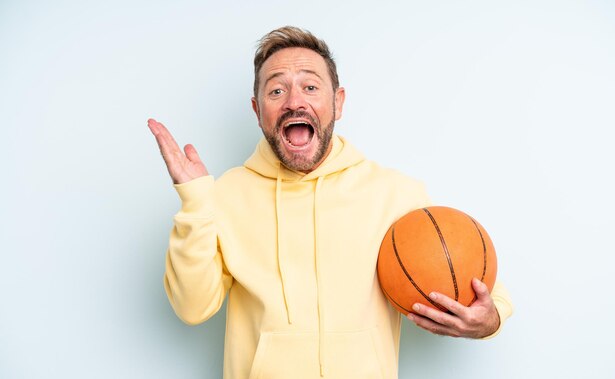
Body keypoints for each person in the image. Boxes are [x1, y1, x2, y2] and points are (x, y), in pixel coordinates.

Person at [148, 26, 513, 379]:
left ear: (337, 103)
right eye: (276, 91)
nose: (294, 102)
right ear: (258, 111)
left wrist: (489, 319)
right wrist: (195, 201)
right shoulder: (225, 195)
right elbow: (192, 307)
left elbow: (481, 290)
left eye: (310, 86)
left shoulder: (395, 194)